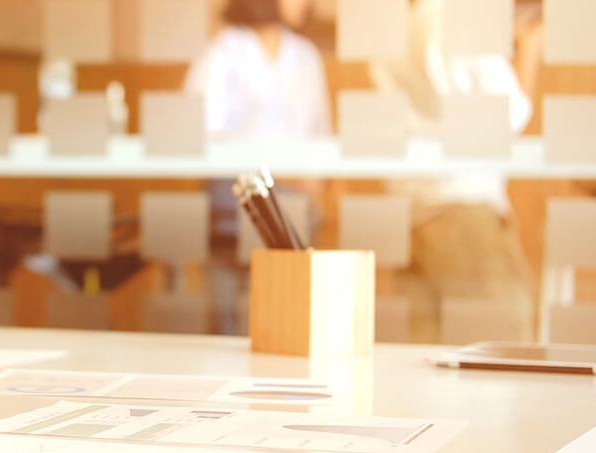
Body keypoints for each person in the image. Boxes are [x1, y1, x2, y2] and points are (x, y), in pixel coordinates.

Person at [369, 0, 542, 343]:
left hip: (414, 212)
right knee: (507, 350)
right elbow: (508, 117)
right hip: (462, 210)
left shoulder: (398, 26)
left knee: (428, 364)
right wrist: (532, 49)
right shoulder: (457, 16)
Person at [184, 0, 332, 334]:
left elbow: (321, 134)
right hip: (236, 204)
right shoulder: (224, 52)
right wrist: (283, 175)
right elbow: (207, 136)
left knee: (289, 315)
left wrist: (311, 182)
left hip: (296, 206)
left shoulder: (305, 55)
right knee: (233, 321)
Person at [185, 0, 331, 140]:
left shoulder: (308, 56)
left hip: (298, 165)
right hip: (238, 164)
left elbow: (322, 135)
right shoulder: (222, 53)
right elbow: (207, 132)